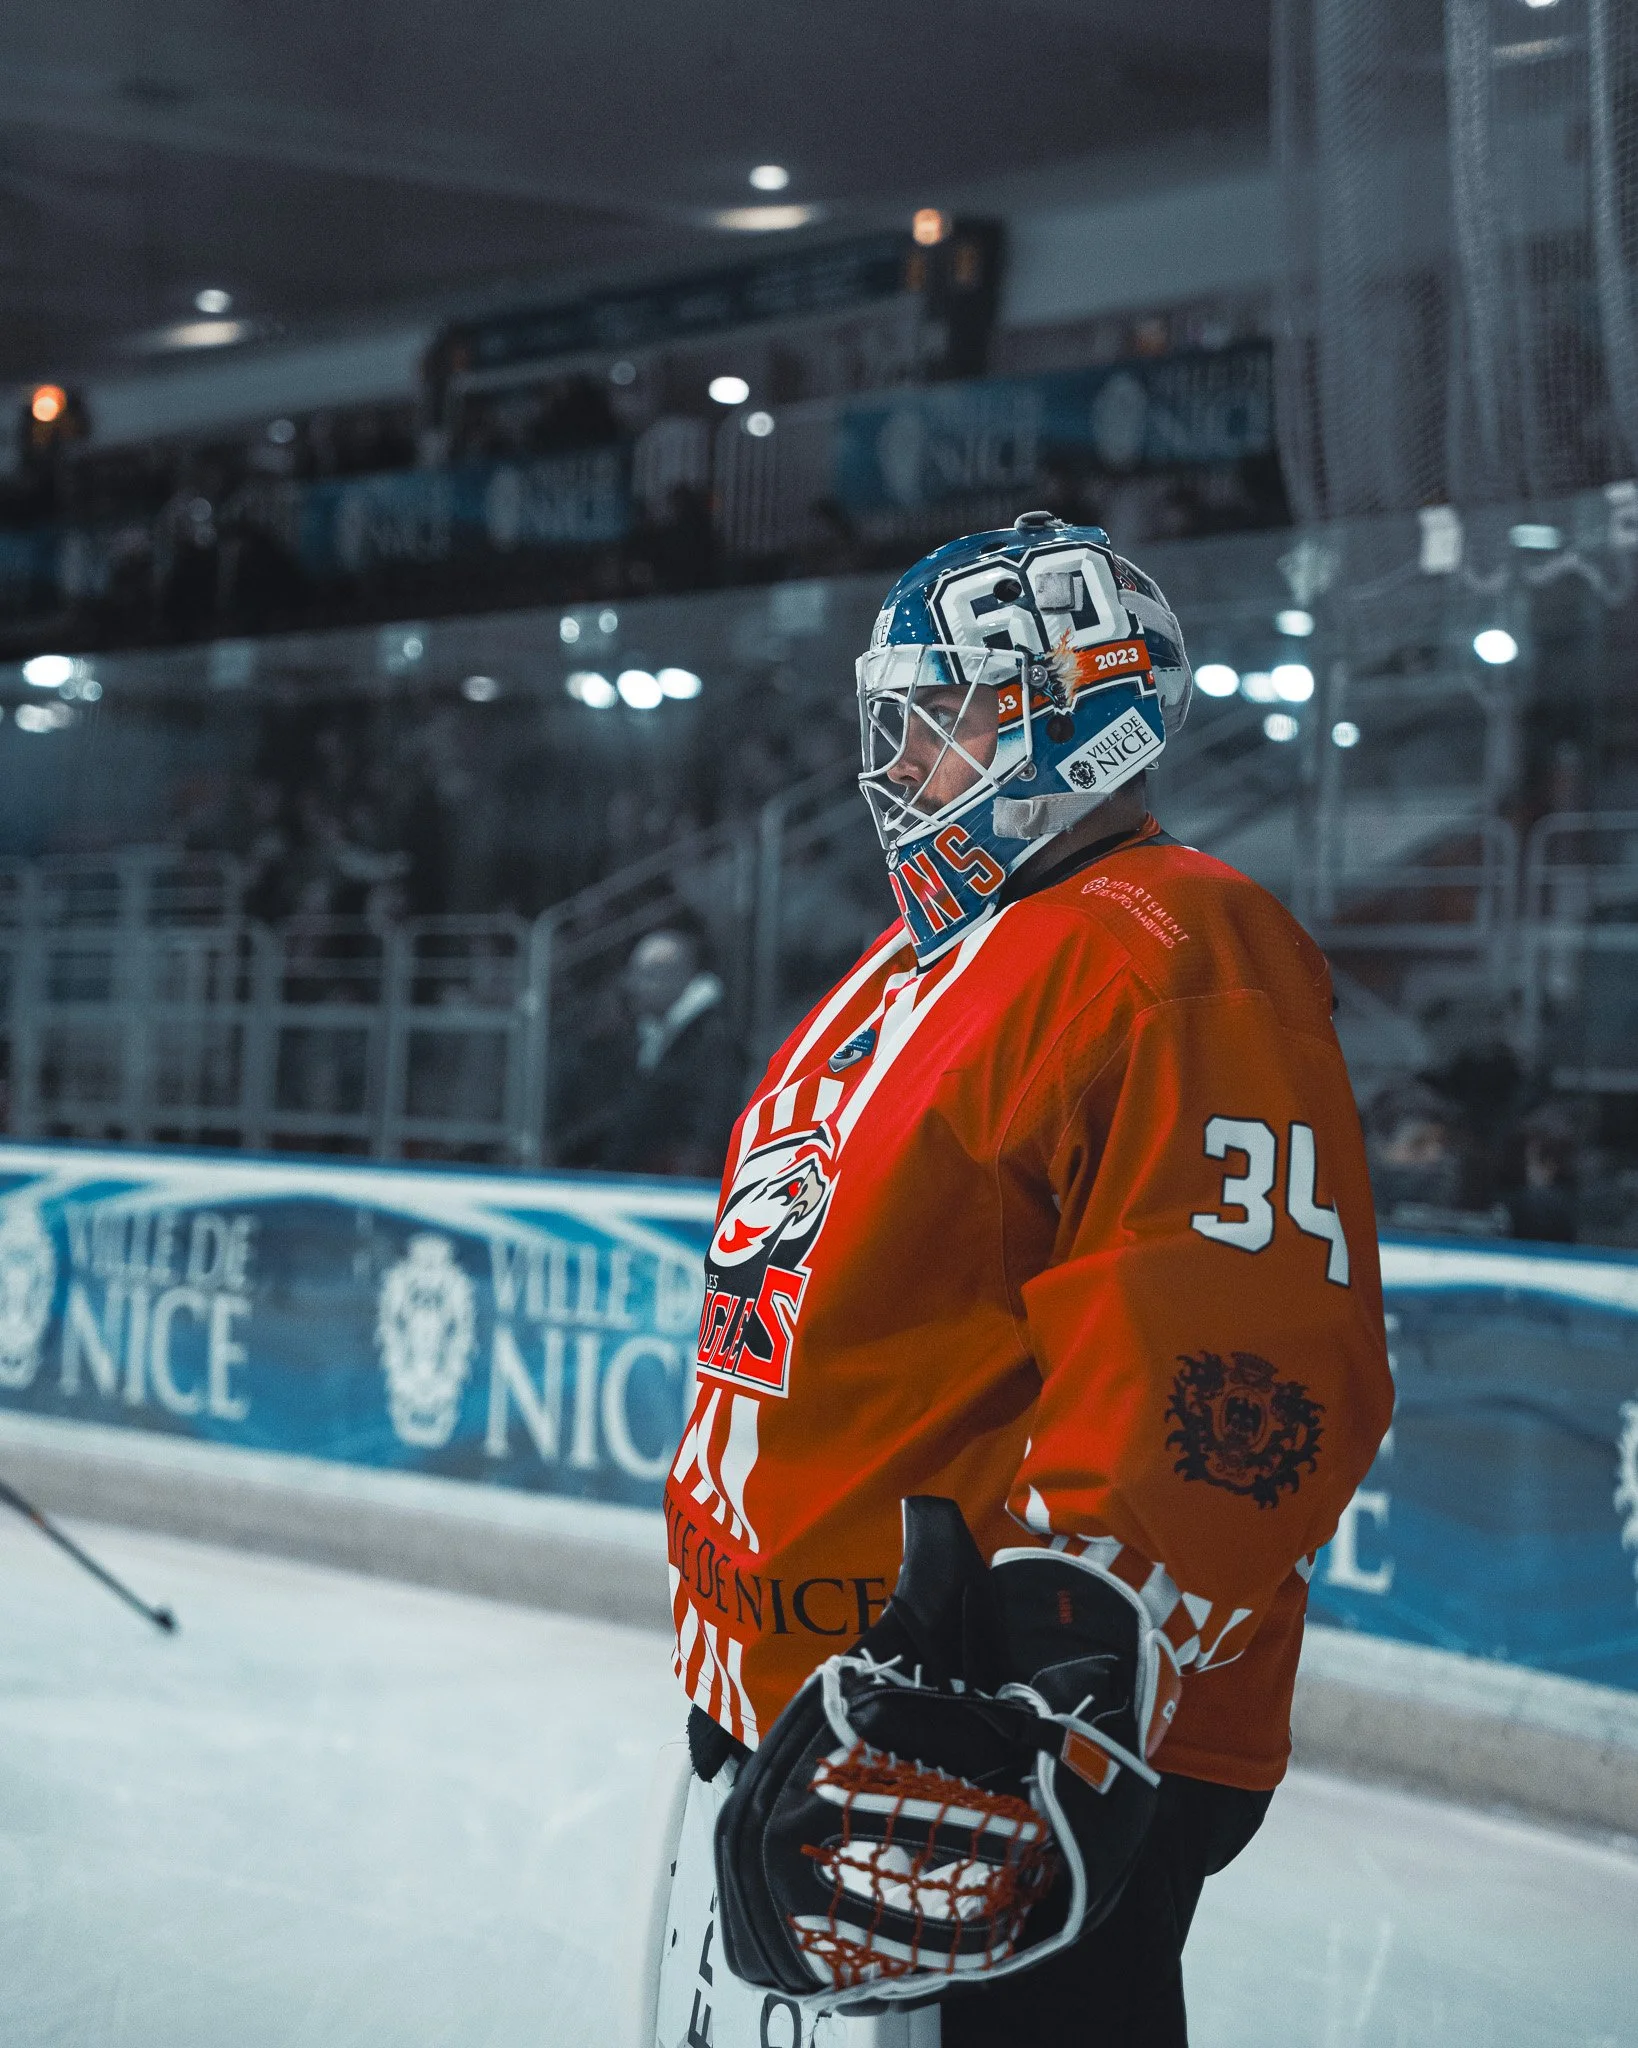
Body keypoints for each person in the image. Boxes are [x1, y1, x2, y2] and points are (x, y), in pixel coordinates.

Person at [643, 513, 1393, 2048]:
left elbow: (1238, 1343)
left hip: (979, 1757)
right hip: (820, 1720)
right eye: (898, 716)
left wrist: (1058, 1672)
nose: (901, 756)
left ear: (1072, 712)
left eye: (946, 711)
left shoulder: (1175, 945)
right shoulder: (924, 952)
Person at [599, 926, 741, 1179]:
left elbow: (714, 1117)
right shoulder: (647, 1033)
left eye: (647, 975)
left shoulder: (712, 1037)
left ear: (679, 976)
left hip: (683, 1184)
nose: (634, 986)